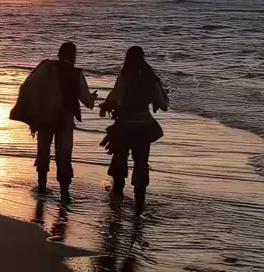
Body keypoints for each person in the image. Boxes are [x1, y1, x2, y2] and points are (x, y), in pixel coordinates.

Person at [99, 46, 167, 214]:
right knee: (141, 163)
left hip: (124, 126)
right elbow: (162, 104)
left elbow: (115, 98)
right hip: (144, 126)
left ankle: (116, 202)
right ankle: (139, 206)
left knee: (119, 162)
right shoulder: (151, 79)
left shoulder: (124, 77)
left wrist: (105, 105)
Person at [35, 42, 97, 200]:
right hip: (64, 121)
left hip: (45, 119)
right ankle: (64, 192)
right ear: (73, 56)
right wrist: (93, 98)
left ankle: (41, 188)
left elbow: (34, 90)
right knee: (63, 156)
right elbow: (86, 101)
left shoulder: (47, 68)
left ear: (59, 54)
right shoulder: (76, 74)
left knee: (43, 153)